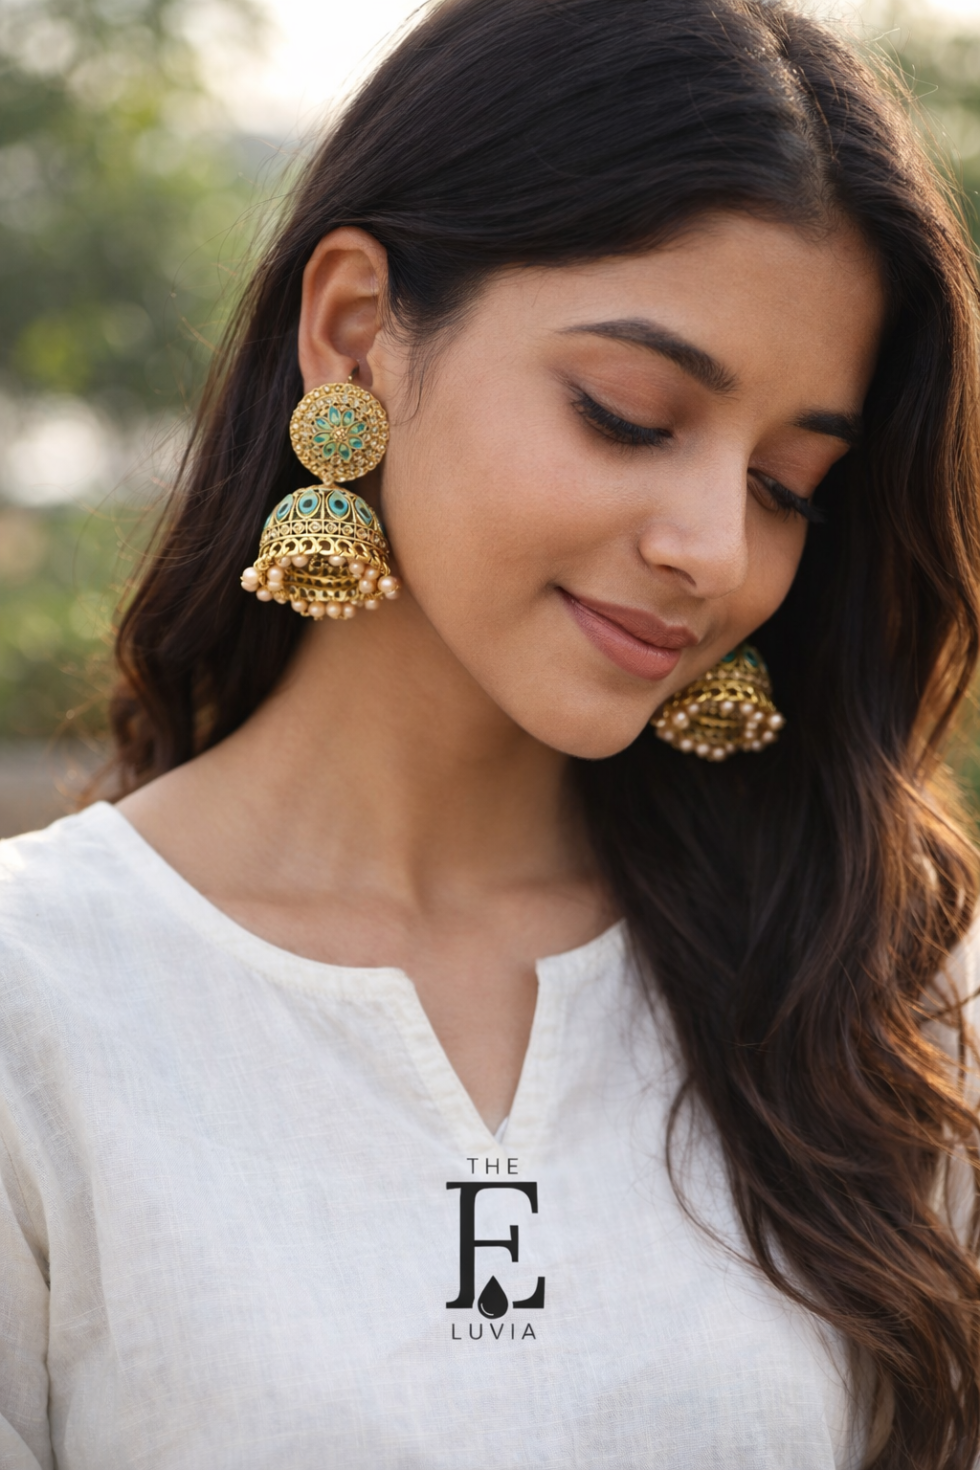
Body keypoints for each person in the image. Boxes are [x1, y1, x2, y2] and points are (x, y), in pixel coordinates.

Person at [3, 0, 980, 1465]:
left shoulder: (892, 993)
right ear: (353, 338)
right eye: (630, 414)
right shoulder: (41, 1007)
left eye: (788, 484)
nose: (715, 548)